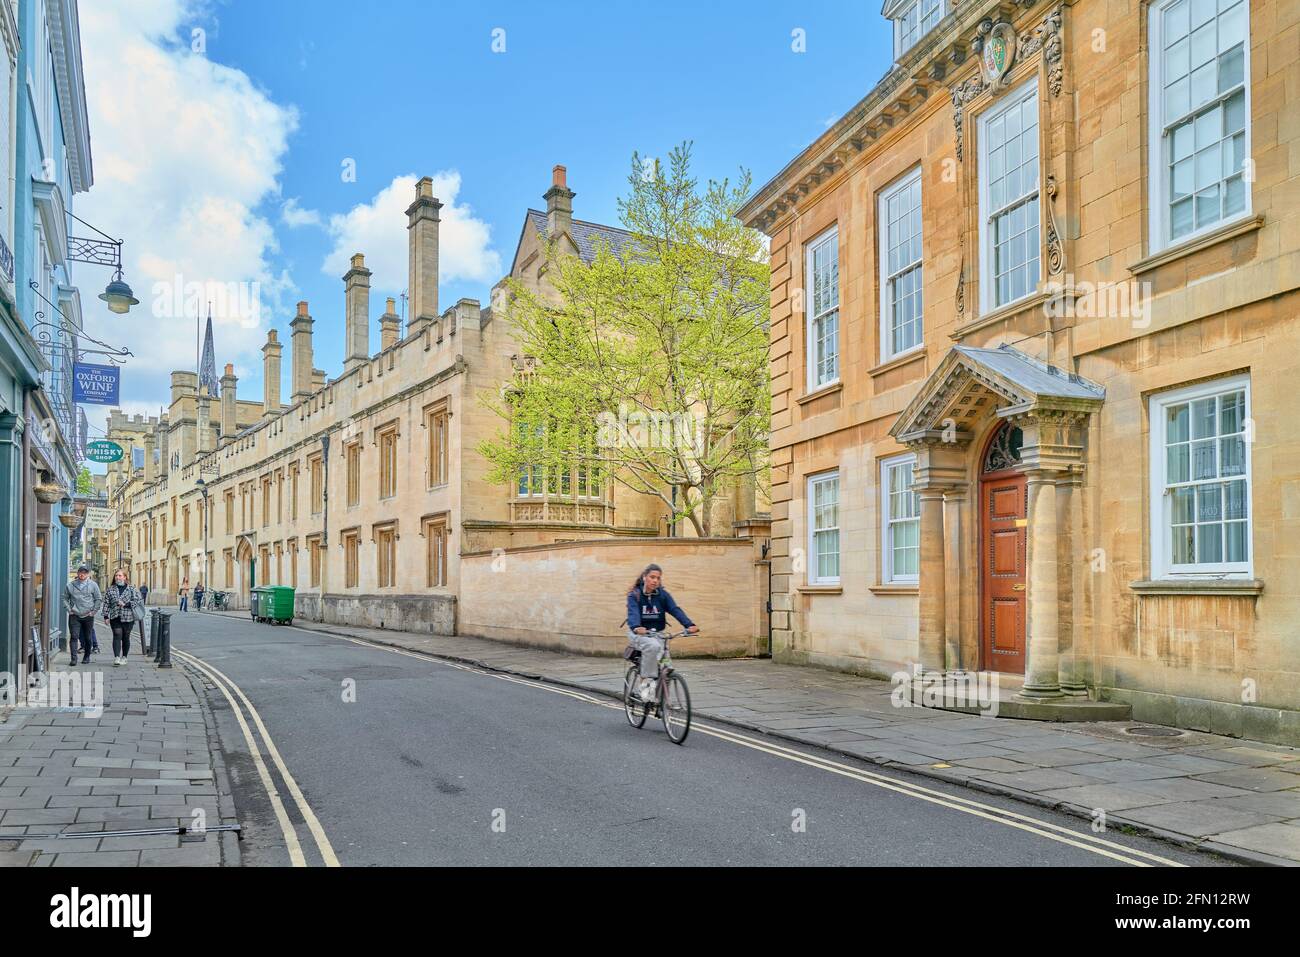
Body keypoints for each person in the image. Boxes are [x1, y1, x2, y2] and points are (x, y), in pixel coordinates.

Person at [625, 563, 697, 702]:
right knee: (653, 647)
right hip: (638, 634)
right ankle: (645, 686)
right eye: (652, 577)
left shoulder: (662, 595)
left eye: (658, 578)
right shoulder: (635, 595)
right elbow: (633, 613)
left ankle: (662, 701)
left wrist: (689, 625)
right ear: (644, 577)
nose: (655, 580)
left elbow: (675, 609)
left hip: (658, 634)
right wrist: (636, 626)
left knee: (667, 667)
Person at [102, 568, 143, 666]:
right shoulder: (110, 589)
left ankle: (124, 657)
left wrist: (125, 604)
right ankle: (116, 657)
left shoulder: (132, 589)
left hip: (128, 617)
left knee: (126, 637)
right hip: (115, 616)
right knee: (117, 634)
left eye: (120, 575)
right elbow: (106, 603)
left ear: (125, 577)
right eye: (116, 576)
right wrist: (106, 616)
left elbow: (138, 600)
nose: (117, 577)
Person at [64, 564, 102, 666]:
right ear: (78, 573)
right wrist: (69, 609)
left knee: (88, 637)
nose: (82, 574)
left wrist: (93, 611)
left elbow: (98, 599)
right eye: (81, 572)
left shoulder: (93, 585)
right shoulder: (70, 585)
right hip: (74, 615)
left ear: (88, 574)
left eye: (85, 573)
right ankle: (73, 659)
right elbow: (64, 598)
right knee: (74, 636)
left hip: (88, 615)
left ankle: (87, 656)